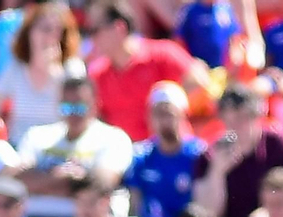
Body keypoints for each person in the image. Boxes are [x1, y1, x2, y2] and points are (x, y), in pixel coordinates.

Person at [192, 84, 283, 217]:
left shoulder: (279, 143)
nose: (235, 126)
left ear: (256, 116)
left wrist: (267, 213)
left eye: (241, 118)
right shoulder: (212, 153)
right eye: (229, 120)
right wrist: (217, 172)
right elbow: (207, 213)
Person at [14, 74, 135, 217]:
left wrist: (43, 183)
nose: (73, 114)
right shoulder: (37, 136)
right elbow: (19, 181)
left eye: (79, 107)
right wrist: (63, 178)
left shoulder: (114, 138)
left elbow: (101, 184)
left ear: (95, 105)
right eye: (67, 108)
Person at [86, 2, 209, 143]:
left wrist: (168, 100)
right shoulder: (97, 74)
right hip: (128, 156)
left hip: (169, 150)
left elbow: (200, 81)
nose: (91, 40)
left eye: (95, 31)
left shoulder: (161, 54)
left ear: (119, 28)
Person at [0, 0, 83, 147]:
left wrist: (53, 74)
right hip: (19, 145)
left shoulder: (72, 68)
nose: (52, 37)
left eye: (59, 31)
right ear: (30, 31)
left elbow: (78, 112)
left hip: (58, 148)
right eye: (46, 29)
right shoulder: (16, 68)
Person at [123, 81, 204, 217]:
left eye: (169, 114)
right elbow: (135, 204)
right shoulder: (142, 155)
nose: (164, 121)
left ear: (183, 115)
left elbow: (202, 204)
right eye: (158, 114)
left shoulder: (198, 154)